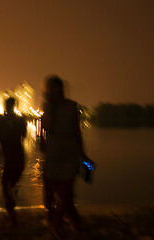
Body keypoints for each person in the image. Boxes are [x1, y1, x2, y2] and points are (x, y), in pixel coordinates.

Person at [39, 75, 88, 238]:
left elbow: (76, 130)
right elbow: (46, 127)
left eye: (54, 87)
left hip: (69, 151)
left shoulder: (71, 106)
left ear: (60, 89)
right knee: (57, 191)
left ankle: (56, 225)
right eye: (49, 87)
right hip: (53, 152)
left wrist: (82, 153)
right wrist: (51, 108)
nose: (51, 90)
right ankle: (75, 221)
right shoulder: (47, 106)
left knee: (66, 189)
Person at [0, 97, 26, 226]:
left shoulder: (7, 121)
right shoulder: (14, 121)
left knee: (7, 186)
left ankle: (11, 213)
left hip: (14, 157)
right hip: (15, 157)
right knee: (9, 186)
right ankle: (12, 213)